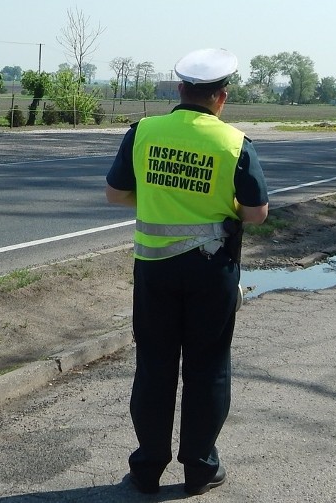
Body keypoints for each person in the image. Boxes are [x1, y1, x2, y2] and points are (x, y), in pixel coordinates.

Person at [105, 48, 269, 496]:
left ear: (180, 90)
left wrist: (162, 200)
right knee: (209, 367)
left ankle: (146, 468)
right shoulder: (234, 142)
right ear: (222, 97)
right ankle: (199, 467)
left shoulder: (143, 132)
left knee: (154, 366)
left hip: (154, 270)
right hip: (211, 270)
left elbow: (115, 195)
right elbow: (256, 214)